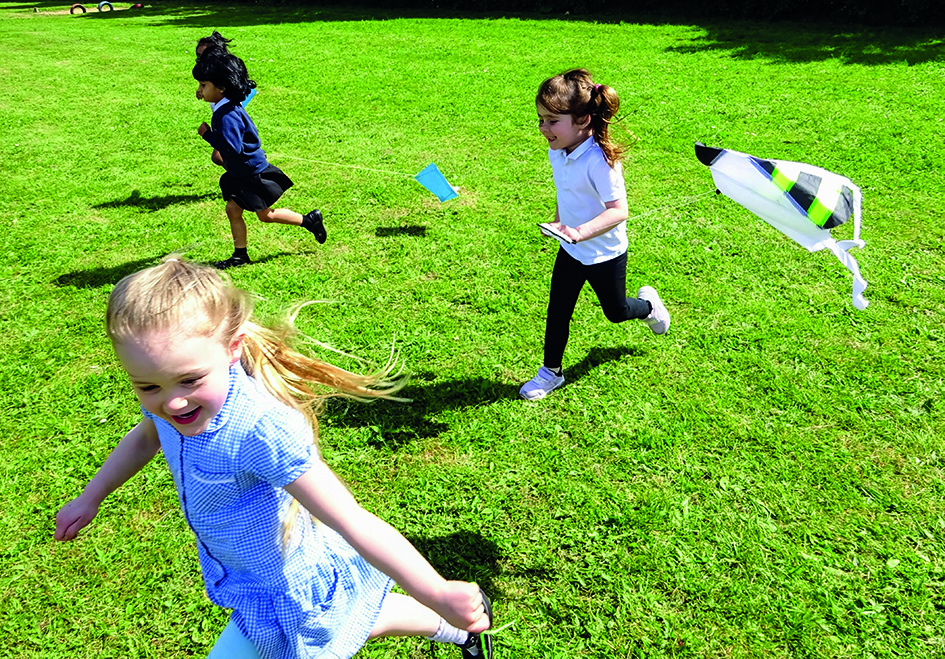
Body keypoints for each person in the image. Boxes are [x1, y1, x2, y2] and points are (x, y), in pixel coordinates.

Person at [54, 258, 494, 659]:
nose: (171, 403)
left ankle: (445, 621)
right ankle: (456, 633)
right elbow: (147, 435)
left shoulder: (259, 429)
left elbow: (351, 520)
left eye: (189, 380)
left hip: (290, 584)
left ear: (231, 348)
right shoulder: (173, 398)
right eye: (147, 387)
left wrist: (437, 590)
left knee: (324, 629)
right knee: (354, 621)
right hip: (250, 575)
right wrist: (90, 497)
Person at [520, 69, 671, 401]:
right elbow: (565, 189)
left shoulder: (601, 161)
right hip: (571, 250)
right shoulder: (557, 150)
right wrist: (560, 223)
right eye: (541, 120)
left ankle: (648, 307)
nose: (544, 129)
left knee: (616, 312)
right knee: (558, 309)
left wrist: (580, 231)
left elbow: (619, 211)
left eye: (552, 121)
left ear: (583, 120)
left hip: (605, 254)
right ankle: (551, 372)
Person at [194, 51, 326, 269]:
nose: (199, 90)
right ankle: (240, 255)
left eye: (203, 85)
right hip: (240, 172)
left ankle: (309, 220)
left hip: (250, 175)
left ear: (221, 87)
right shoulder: (225, 107)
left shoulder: (226, 115)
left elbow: (233, 148)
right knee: (233, 210)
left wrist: (207, 135)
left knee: (265, 216)